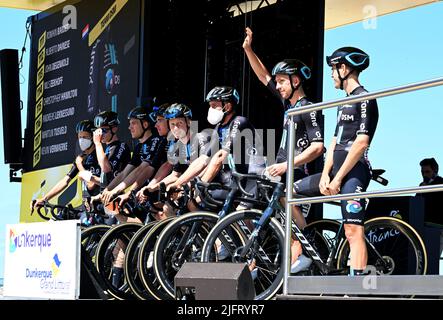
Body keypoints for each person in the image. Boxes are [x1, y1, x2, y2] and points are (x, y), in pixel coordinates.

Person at [243, 27, 324, 273]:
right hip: (284, 172)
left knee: (287, 208)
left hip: (300, 174)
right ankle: (257, 264)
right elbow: (262, 76)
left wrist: (287, 164)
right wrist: (248, 49)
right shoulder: (287, 105)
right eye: (277, 82)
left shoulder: (308, 107)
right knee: (261, 208)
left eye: (282, 82)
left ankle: (309, 251)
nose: (277, 86)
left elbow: (318, 147)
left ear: (295, 80)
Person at [295, 46, 378, 276]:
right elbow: (333, 143)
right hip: (335, 173)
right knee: (287, 194)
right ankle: (307, 247)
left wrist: (338, 178)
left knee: (352, 230)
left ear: (344, 68)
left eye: (333, 69)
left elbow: (361, 144)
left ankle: (358, 287)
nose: (331, 74)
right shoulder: (343, 103)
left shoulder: (365, 98)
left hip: (355, 173)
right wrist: (324, 174)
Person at [100, 106, 168, 222]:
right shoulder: (138, 147)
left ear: (145, 125)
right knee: (111, 208)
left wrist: (121, 192)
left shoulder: (156, 141)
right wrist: (107, 191)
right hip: (141, 194)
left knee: (139, 221)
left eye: (133, 123)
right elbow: (124, 174)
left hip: (153, 194)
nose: (129, 127)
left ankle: (140, 233)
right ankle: (130, 235)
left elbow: (142, 169)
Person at [30, 120, 101, 216]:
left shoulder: (98, 156)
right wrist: (45, 198)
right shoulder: (81, 158)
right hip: (85, 207)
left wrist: (80, 165)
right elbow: (65, 181)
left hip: (98, 208)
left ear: (93, 137)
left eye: (84, 137)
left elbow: (91, 185)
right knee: (61, 215)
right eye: (79, 137)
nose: (81, 140)